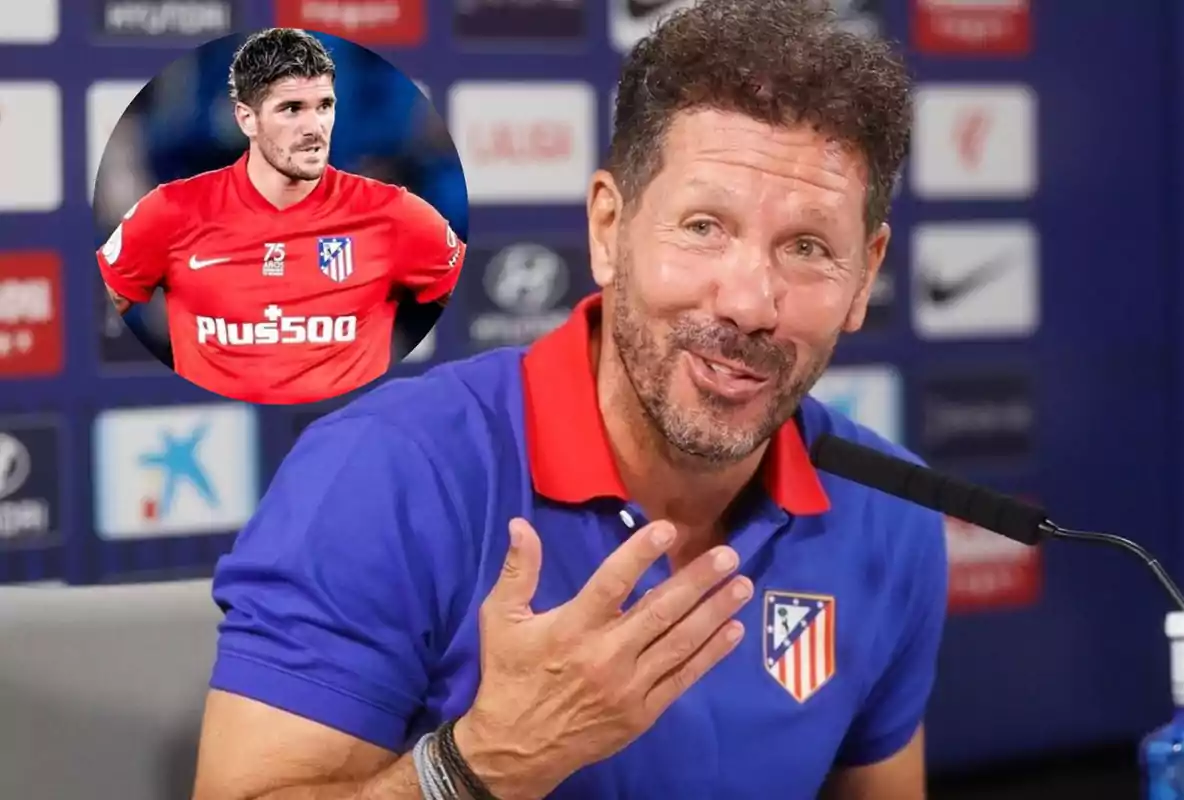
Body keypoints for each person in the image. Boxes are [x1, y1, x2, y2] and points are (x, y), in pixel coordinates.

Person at [193, 1, 947, 798]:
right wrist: (481, 763)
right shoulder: (389, 473)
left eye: (807, 247)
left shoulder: (887, 513)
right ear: (608, 228)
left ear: (864, 276)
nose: (751, 303)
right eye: (703, 227)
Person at [96, 28, 465, 405]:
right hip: (224, 429)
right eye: (290, 109)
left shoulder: (395, 211)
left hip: (348, 428)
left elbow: (465, 314)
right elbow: (102, 311)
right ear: (246, 118)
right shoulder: (171, 210)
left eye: (322, 107)